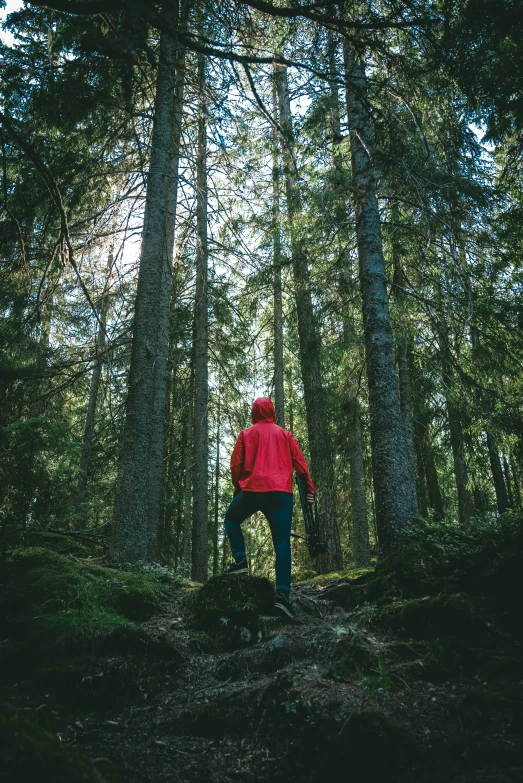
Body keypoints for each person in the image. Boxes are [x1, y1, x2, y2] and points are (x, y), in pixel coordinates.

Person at [224, 397, 315, 620]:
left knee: (231, 519)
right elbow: (300, 464)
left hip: (253, 490)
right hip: (281, 494)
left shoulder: (246, 434)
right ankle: (283, 596)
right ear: (272, 411)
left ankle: (240, 561)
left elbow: (235, 465)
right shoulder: (285, 434)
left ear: (254, 411)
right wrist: (309, 490)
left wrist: (239, 488)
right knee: (281, 542)